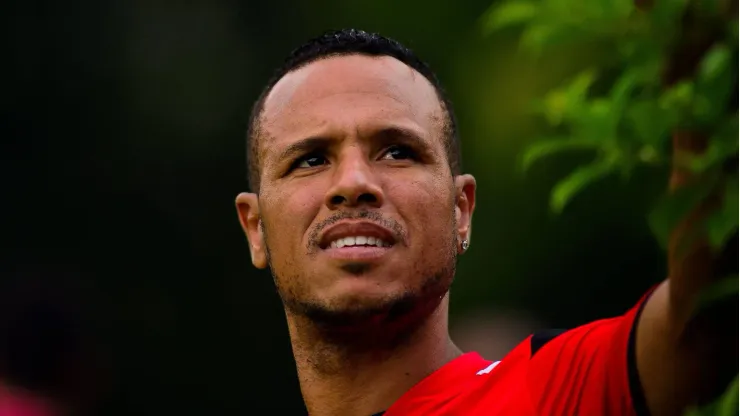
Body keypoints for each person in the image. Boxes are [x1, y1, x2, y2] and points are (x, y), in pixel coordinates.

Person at [235, 29, 735, 416]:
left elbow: (707, 322)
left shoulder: (556, 392)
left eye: (397, 151)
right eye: (310, 160)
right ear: (255, 228)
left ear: (461, 211)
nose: (354, 181)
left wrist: (697, 48)